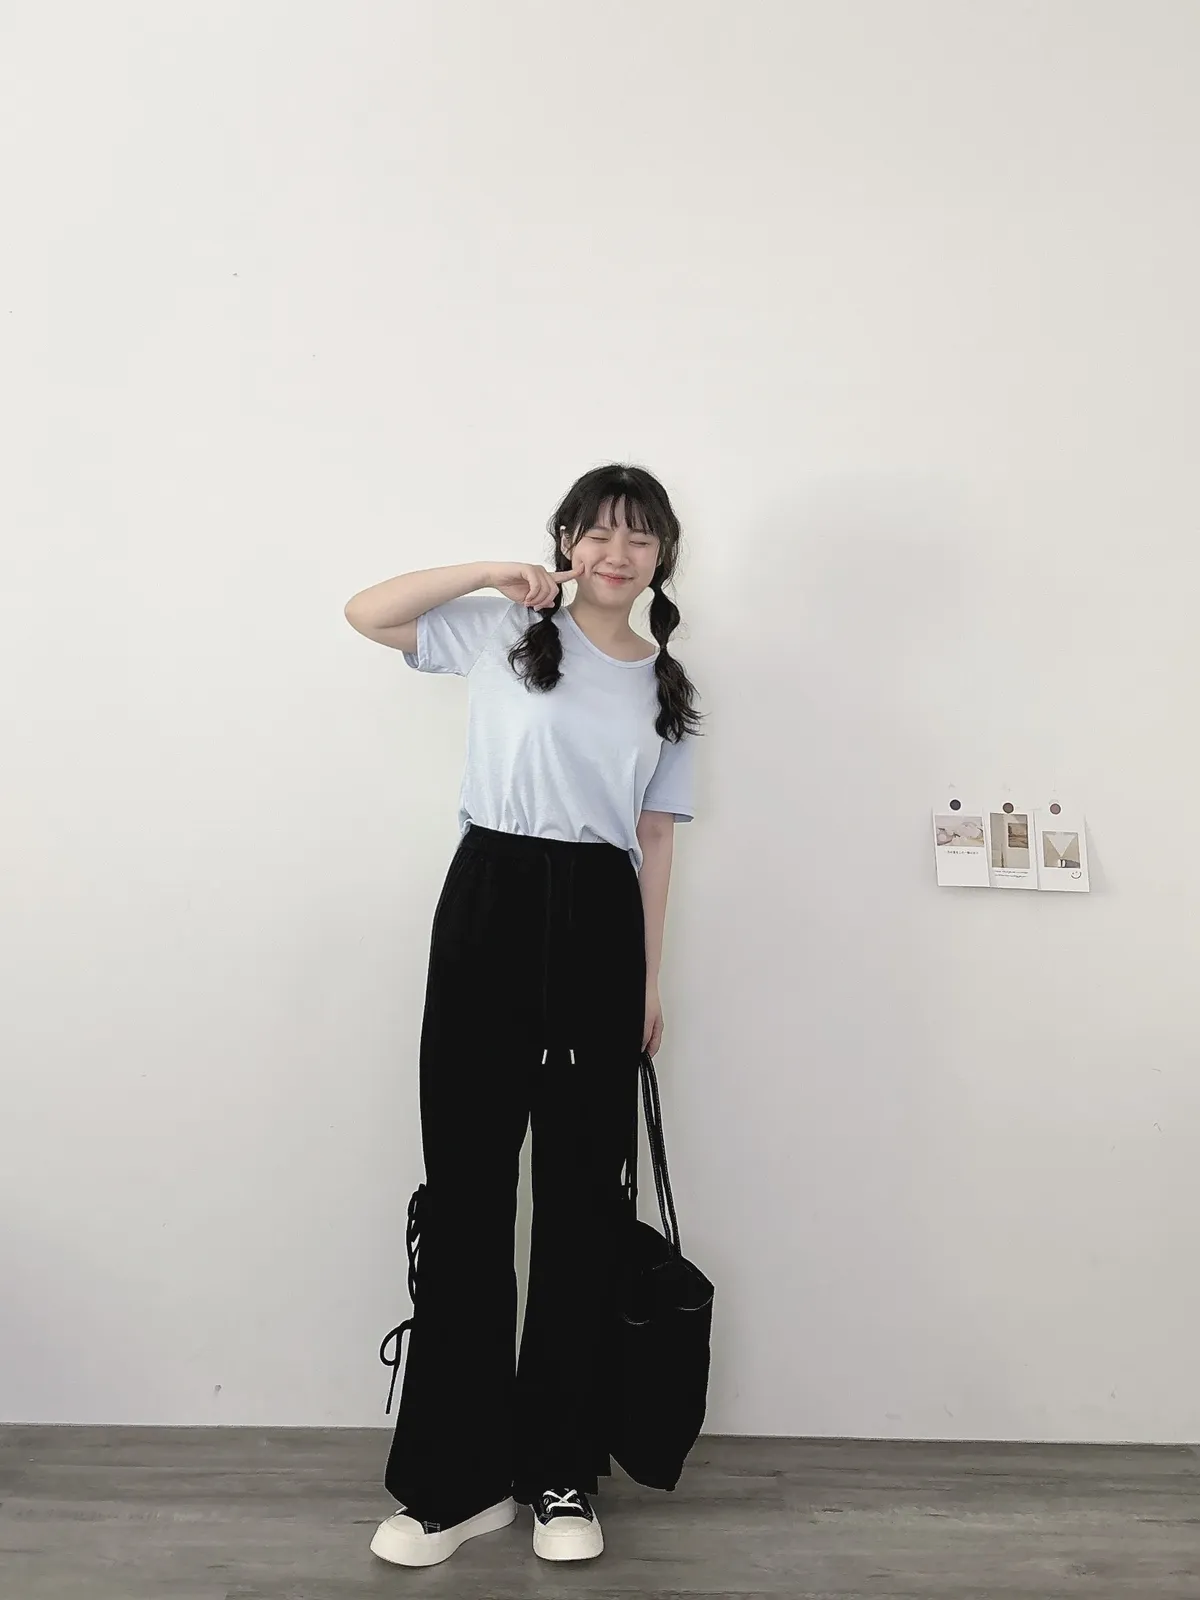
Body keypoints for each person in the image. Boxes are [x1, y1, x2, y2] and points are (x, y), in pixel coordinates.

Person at [343, 463, 701, 1568]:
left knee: (583, 1200)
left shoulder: (668, 687)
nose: (616, 554)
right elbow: (368, 613)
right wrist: (492, 573)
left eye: (638, 537)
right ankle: (452, 1483)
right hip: (490, 895)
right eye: (596, 533)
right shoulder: (508, 632)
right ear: (566, 543)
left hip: (601, 918)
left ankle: (560, 1473)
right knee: (466, 1192)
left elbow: (654, 840)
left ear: (663, 556)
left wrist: (647, 983)